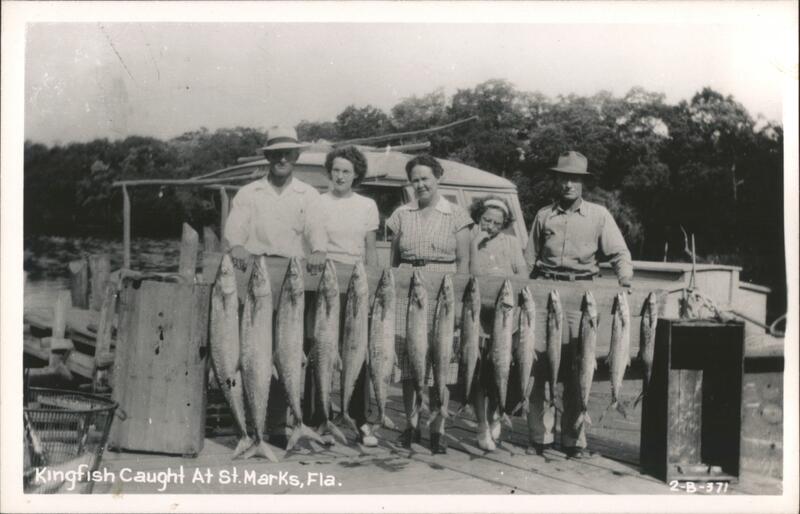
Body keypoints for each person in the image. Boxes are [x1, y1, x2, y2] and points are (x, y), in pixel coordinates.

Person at [523, 150, 633, 459]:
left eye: (574, 179)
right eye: (563, 177)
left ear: (583, 183)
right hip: (545, 292)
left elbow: (619, 254)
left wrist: (626, 281)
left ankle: (573, 439)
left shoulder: (599, 215)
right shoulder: (544, 215)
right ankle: (539, 437)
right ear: (556, 180)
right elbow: (528, 258)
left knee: (579, 366)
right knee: (540, 366)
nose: (568, 184)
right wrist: (523, 287)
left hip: (583, 297)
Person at [223, 126, 327, 450]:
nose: (282, 158)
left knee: (287, 352)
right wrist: (237, 246)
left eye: (288, 153)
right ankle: (252, 428)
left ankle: (280, 426)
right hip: (256, 279)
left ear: (296, 156)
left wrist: (319, 251)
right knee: (253, 354)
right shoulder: (249, 193)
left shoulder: (308, 195)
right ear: (267, 157)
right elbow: (233, 233)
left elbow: (317, 235)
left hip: (291, 282)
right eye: (275, 153)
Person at [386, 154, 472, 454]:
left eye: (425, 178)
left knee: (441, 366)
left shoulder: (457, 215)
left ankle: (438, 428)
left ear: (438, 178)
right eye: (415, 179)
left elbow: (463, 264)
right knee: (410, 363)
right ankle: (411, 426)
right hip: (409, 290)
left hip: (444, 292)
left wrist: (459, 305)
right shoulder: (401, 215)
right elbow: (394, 261)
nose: (420, 184)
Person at [304, 145, 379, 447]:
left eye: (346, 171)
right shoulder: (316, 202)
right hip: (323, 281)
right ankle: (316, 419)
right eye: (335, 170)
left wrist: (371, 286)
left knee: (356, 351)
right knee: (320, 350)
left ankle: (360, 421)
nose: (340, 176)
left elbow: (371, 249)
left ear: (356, 174)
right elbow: (312, 240)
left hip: (356, 282)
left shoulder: (367, 205)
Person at [468, 195, 528, 451]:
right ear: (478, 218)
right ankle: (481, 424)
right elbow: (469, 276)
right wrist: (474, 247)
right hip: (480, 319)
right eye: (486, 220)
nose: (490, 226)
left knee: (501, 370)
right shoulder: (472, 241)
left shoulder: (511, 243)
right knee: (480, 375)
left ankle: (496, 415)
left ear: (504, 224)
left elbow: (522, 274)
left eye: (496, 222)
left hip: (505, 319)